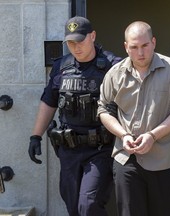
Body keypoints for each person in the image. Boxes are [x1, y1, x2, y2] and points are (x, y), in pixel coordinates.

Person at [28, 16, 121, 216]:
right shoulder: (61, 67)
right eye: (71, 42)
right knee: (73, 208)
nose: (76, 47)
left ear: (93, 36)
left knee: (89, 205)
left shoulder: (113, 66)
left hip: (100, 149)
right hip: (69, 150)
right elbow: (49, 101)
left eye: (80, 41)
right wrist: (36, 136)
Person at [97, 21, 170, 216]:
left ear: (154, 42)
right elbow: (104, 110)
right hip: (127, 159)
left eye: (145, 45)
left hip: (165, 161)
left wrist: (153, 136)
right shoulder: (115, 74)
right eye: (134, 47)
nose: (140, 52)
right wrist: (123, 135)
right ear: (126, 47)